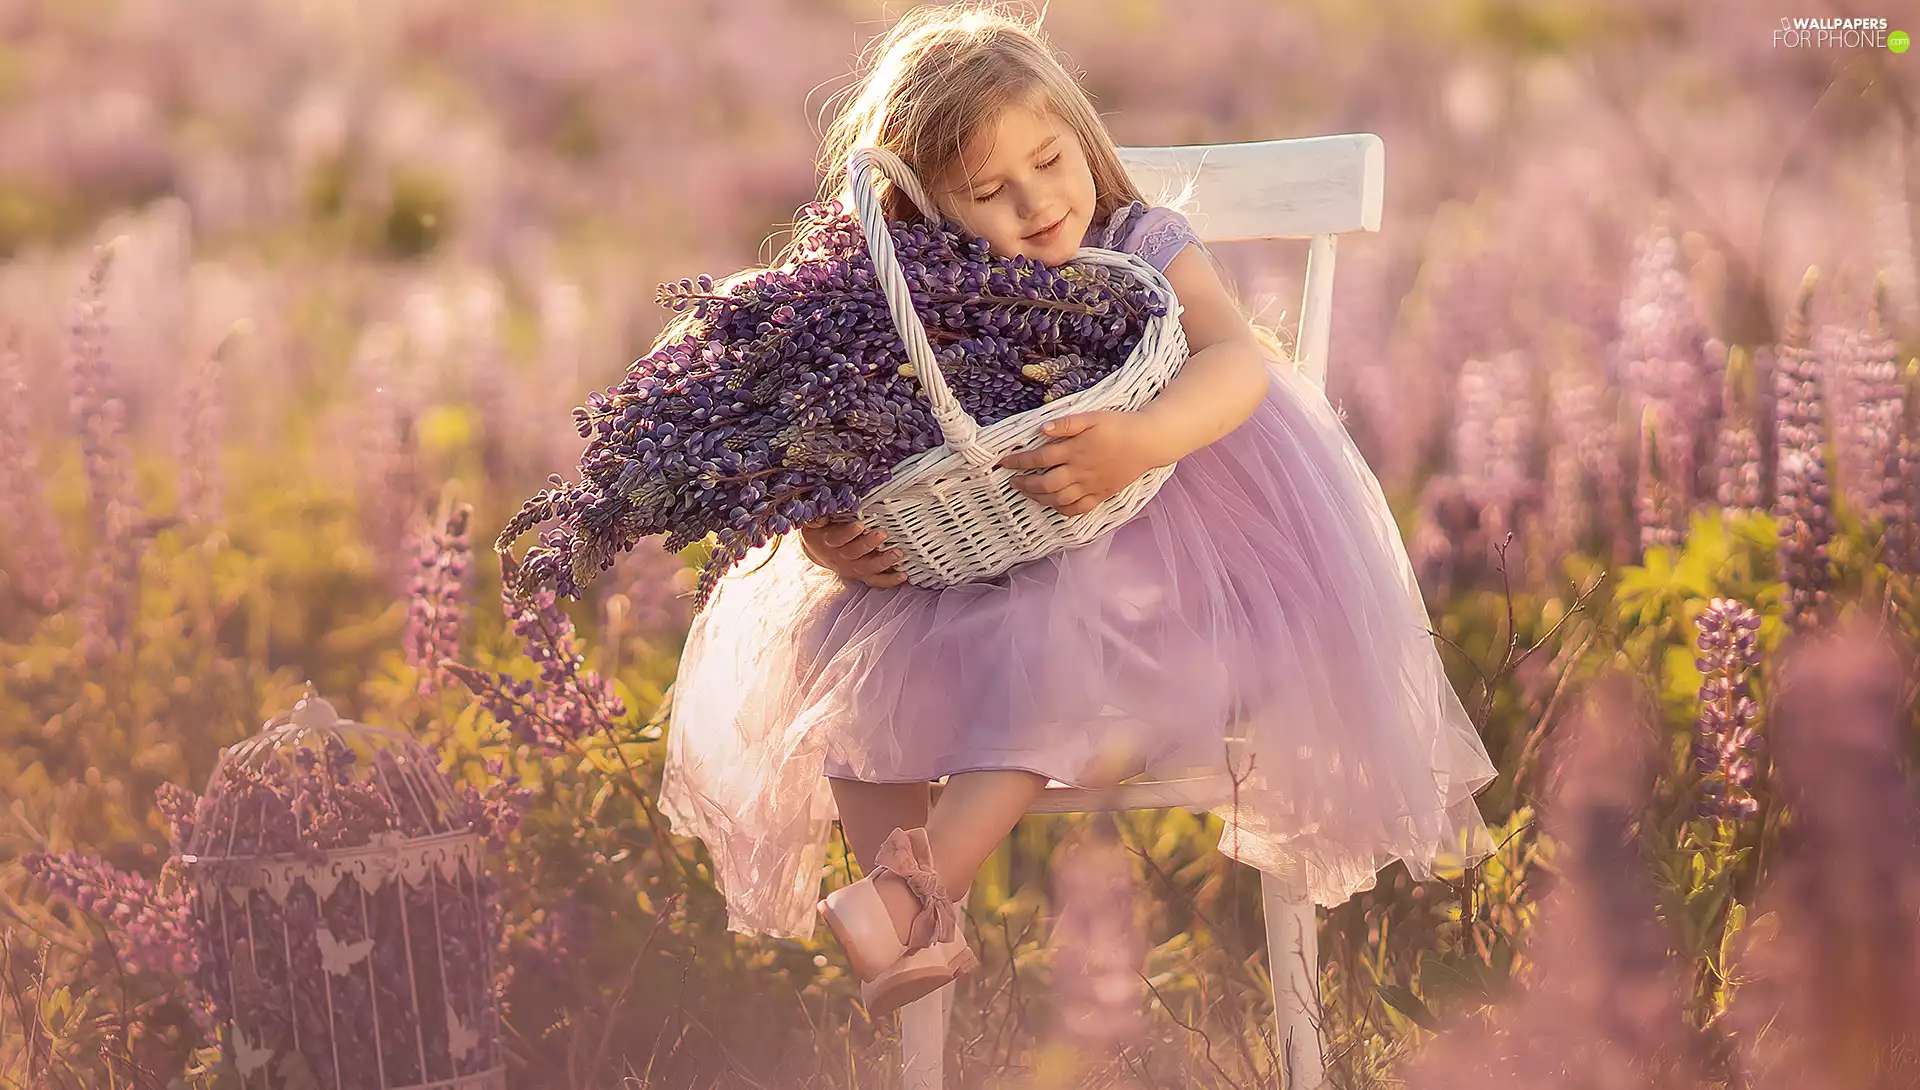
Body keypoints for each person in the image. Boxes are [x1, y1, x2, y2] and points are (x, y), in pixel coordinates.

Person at [658, 1, 1499, 1019]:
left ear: (1081, 135)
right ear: (927, 215)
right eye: (989, 193)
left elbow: (1234, 360)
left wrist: (1144, 438)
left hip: (1171, 550)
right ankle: (916, 922)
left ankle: (916, 894)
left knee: (1050, 642)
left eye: (1050, 160)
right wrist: (828, 529)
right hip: (980, 551)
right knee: (845, 659)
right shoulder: (925, 292)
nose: (1036, 201)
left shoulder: (1141, 240)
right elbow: (847, 437)